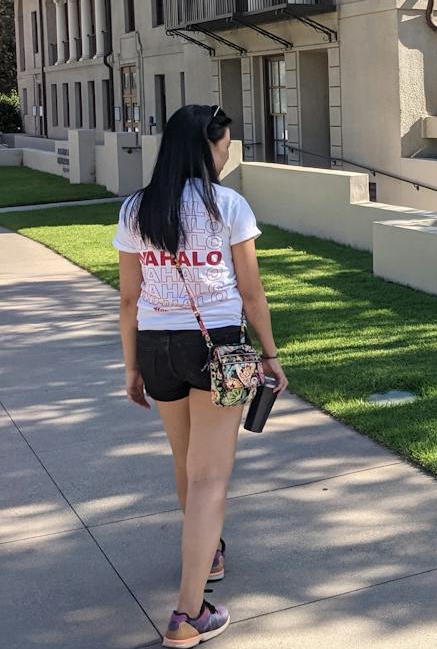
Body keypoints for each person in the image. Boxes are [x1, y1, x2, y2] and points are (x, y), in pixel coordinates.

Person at [115, 104, 287, 647]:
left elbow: (128, 298)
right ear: (208, 146)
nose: (230, 150)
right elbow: (252, 293)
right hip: (217, 346)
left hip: (156, 346)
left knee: (186, 461)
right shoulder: (227, 205)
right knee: (211, 474)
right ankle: (189, 614)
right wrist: (271, 356)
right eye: (226, 142)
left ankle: (208, 551)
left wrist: (132, 367)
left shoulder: (136, 209)